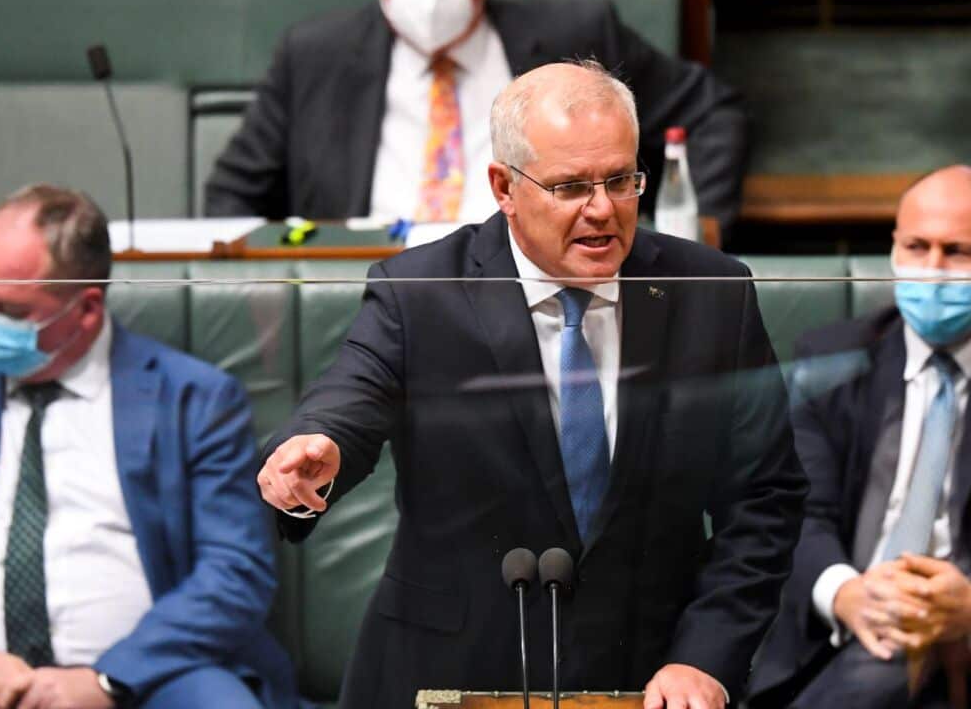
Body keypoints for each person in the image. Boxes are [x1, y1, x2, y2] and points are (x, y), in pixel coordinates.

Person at [256, 61, 805, 709]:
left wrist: (706, 659)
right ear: (503, 186)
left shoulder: (711, 293)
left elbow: (765, 500)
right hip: (450, 674)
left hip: (652, 680)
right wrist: (317, 448)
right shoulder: (422, 292)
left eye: (621, 180)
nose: (602, 210)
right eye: (571, 186)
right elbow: (354, 392)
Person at [0, 185, 296, 709]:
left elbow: (235, 570)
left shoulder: (194, 399)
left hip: (154, 680)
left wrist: (108, 680)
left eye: (10, 311)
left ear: (86, 308)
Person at [748, 166, 971, 708]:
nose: (933, 271)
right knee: (890, 654)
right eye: (916, 247)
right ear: (893, 247)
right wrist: (848, 593)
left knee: (904, 653)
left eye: (957, 251)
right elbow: (797, 513)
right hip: (850, 627)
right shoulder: (830, 360)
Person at [204, 0, 748, 240]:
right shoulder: (313, 56)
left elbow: (711, 116)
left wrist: (691, 239)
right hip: (363, 299)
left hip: (535, 291)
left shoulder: (578, 32)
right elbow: (232, 196)